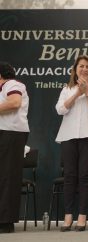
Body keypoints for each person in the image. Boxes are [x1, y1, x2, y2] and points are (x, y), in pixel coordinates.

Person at [55, 55, 88, 232]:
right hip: (68, 136)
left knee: (84, 176)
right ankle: (68, 216)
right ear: (75, 69)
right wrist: (77, 93)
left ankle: (82, 217)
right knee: (69, 176)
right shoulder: (67, 89)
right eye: (81, 66)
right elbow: (60, 109)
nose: (85, 69)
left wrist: (87, 92)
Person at [0, 62, 29, 233]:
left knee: (7, 177)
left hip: (11, 134)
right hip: (5, 133)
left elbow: (14, 103)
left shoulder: (12, 84)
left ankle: (6, 222)